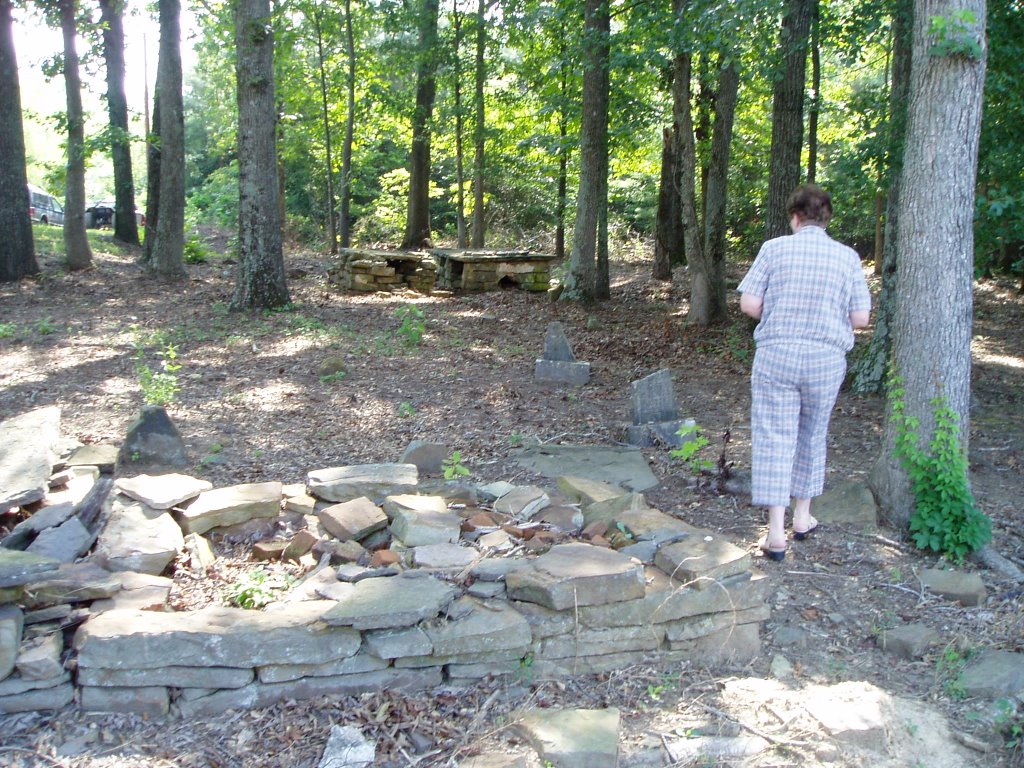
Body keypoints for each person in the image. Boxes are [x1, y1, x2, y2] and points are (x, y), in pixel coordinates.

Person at [738, 184, 871, 560]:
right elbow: (861, 317)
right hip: (825, 360)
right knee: (813, 434)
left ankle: (775, 533)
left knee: (774, 437)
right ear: (826, 217)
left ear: (795, 216)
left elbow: (749, 304)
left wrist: (781, 315)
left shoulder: (774, 249)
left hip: (777, 354)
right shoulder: (847, 257)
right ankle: (803, 517)